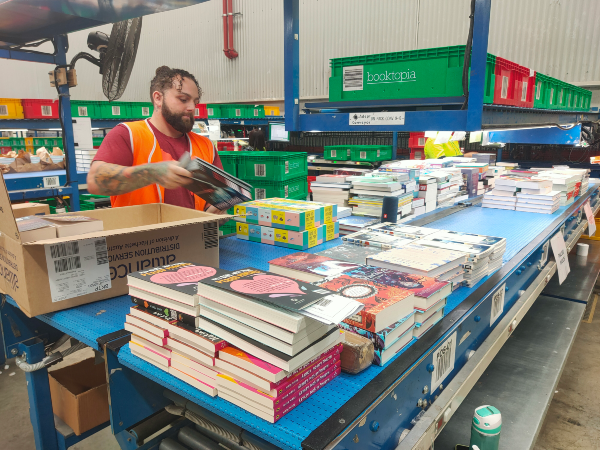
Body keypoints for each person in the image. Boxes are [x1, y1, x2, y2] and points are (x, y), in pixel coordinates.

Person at [87, 66, 226, 215]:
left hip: (195, 236)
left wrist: (217, 210)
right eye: (183, 99)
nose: (192, 107)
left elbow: (216, 197)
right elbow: (95, 181)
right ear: (158, 98)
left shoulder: (205, 145)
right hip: (141, 237)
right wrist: (152, 173)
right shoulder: (128, 134)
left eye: (195, 102)